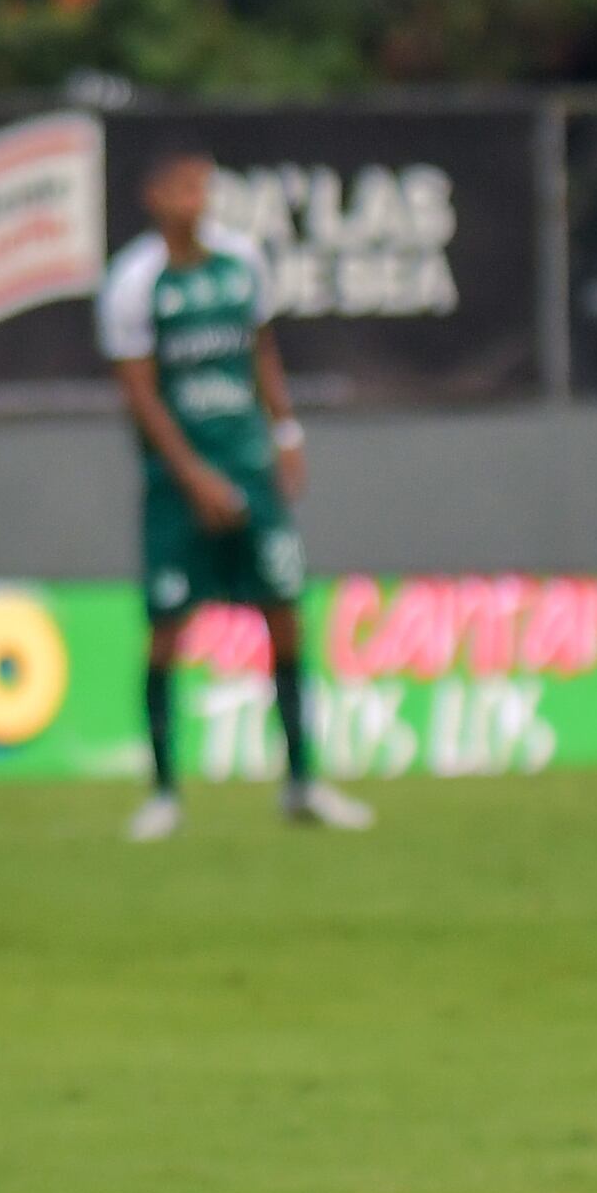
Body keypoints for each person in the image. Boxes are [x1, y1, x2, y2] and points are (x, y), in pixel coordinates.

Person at [100, 146, 367, 841]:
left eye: (204, 185)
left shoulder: (241, 260)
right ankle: (162, 791)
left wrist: (284, 431)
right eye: (183, 186)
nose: (198, 198)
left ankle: (303, 782)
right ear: (154, 194)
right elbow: (140, 392)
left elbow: (261, 351)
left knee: (284, 612)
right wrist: (193, 476)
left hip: (248, 469)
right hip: (176, 484)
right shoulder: (134, 280)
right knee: (166, 630)